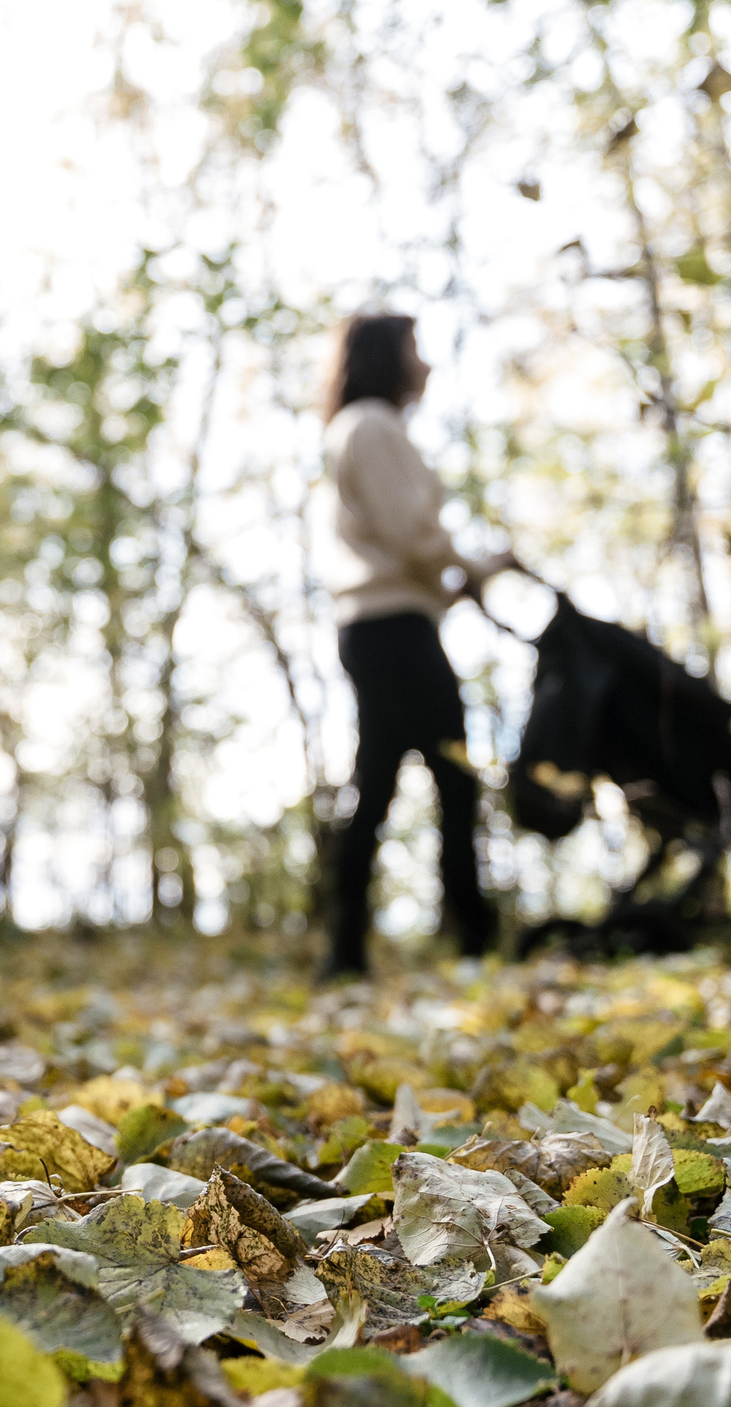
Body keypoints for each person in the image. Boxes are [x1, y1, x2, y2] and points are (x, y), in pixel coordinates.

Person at [318, 312, 513, 980]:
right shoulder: (371, 425)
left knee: (376, 785)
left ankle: (346, 951)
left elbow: (404, 550)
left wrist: (459, 578)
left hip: (387, 624)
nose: (425, 363)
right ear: (386, 357)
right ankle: (474, 936)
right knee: (453, 777)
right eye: (414, 348)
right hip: (392, 629)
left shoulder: (366, 427)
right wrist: (479, 564)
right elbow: (413, 538)